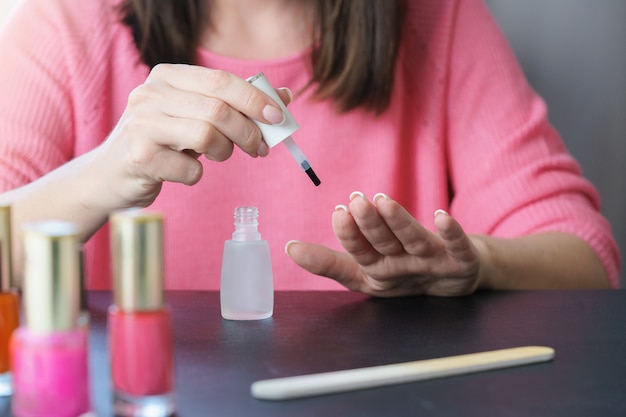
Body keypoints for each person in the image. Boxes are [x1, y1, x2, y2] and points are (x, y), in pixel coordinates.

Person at [0, 0, 619, 295]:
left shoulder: (441, 19)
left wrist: (478, 263)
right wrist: (104, 173)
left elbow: (586, 262)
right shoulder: (64, 26)